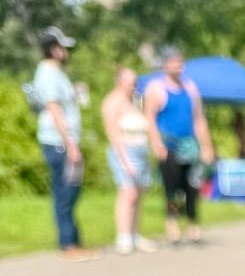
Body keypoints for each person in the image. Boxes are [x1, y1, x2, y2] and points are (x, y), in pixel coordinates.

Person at [32, 26, 99, 261]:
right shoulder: (48, 73)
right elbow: (54, 109)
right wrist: (70, 144)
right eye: (63, 47)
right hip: (59, 143)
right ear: (54, 49)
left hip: (63, 142)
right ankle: (68, 245)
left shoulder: (56, 73)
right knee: (65, 193)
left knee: (71, 191)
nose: (67, 51)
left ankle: (75, 242)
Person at [144, 46, 215, 245]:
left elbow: (199, 119)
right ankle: (172, 223)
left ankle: (193, 224)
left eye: (180, 62)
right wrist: (156, 144)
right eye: (174, 62)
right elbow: (149, 118)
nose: (178, 66)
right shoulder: (156, 89)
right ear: (165, 65)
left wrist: (207, 146)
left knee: (193, 186)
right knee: (172, 189)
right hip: (169, 145)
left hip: (190, 145)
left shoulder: (190, 88)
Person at [102, 67, 157, 256]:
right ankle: (123, 237)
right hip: (124, 152)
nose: (134, 85)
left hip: (141, 150)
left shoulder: (135, 100)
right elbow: (113, 134)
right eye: (130, 82)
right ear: (120, 81)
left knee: (138, 193)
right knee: (128, 192)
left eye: (135, 81)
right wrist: (125, 162)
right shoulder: (112, 103)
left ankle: (135, 234)